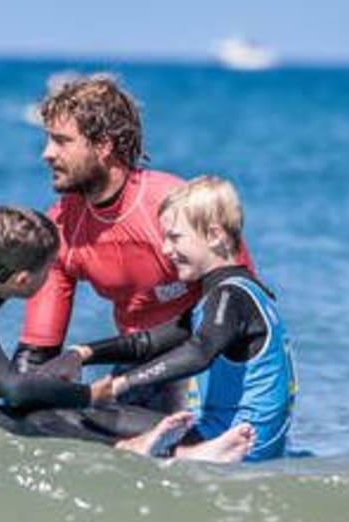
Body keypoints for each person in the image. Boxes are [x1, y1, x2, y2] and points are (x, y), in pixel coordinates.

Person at [0, 203, 257, 462]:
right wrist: (89, 392)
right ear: (25, 280)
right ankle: (134, 448)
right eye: (49, 270)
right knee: (15, 419)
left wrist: (45, 380)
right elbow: (12, 388)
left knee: (44, 409)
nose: (52, 277)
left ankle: (167, 447)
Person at [14, 74, 256, 413]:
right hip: (136, 367)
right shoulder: (60, 229)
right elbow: (37, 353)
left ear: (103, 146)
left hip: (207, 363)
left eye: (61, 141)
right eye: (48, 141)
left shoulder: (174, 209)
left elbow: (244, 300)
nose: (46, 154)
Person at [75, 177, 297, 462]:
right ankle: (180, 449)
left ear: (214, 236)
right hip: (262, 444)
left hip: (235, 442)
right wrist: (82, 354)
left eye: (175, 237)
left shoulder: (230, 296)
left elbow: (199, 352)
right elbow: (148, 341)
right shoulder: (243, 293)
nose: (166, 250)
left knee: (78, 421)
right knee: (107, 417)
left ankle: (186, 452)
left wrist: (120, 384)